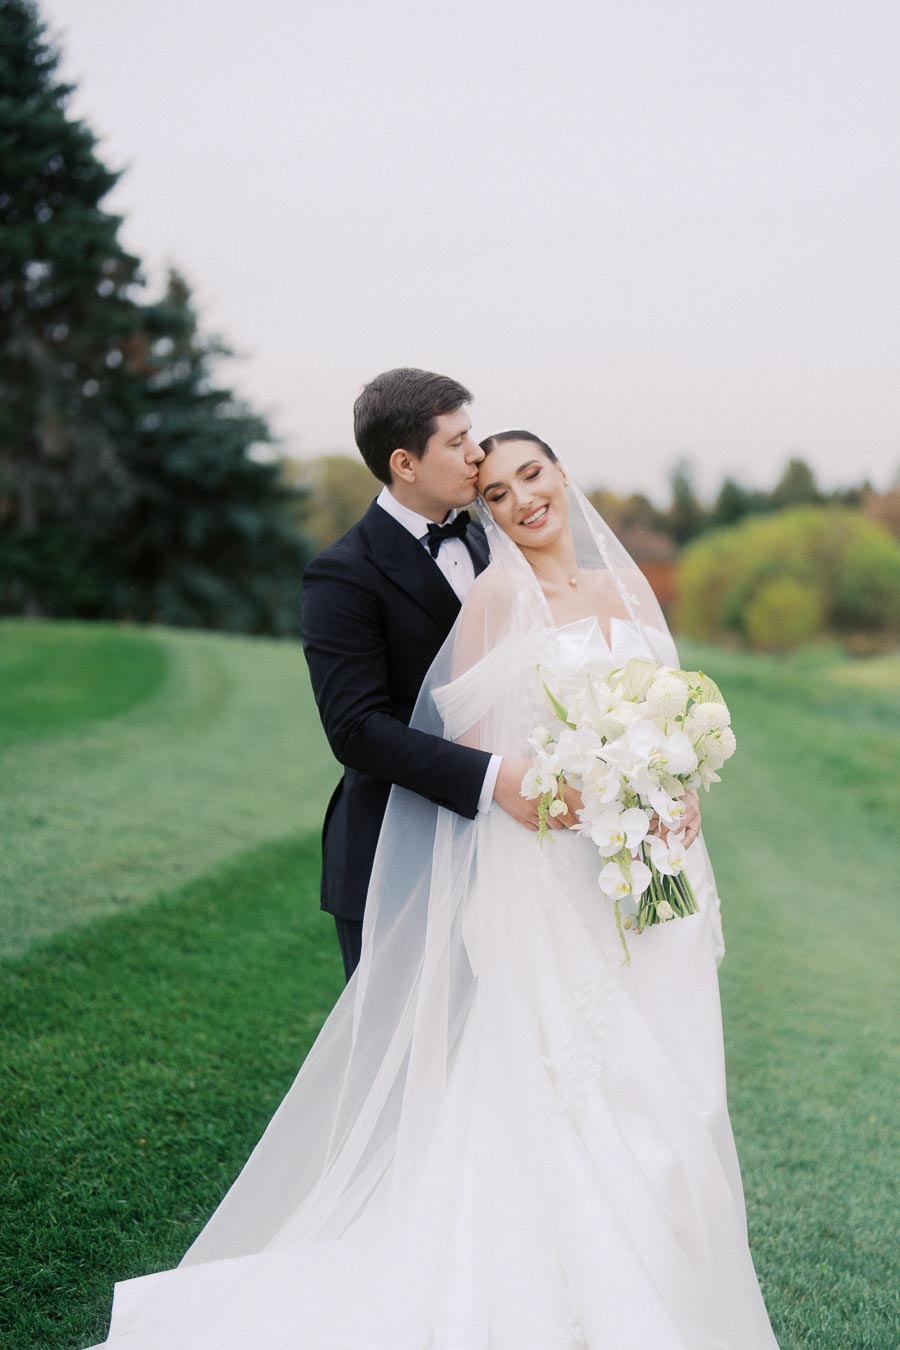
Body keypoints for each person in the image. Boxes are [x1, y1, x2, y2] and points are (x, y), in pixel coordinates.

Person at [87, 431, 778, 1348]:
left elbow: (674, 714)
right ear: (484, 510)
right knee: (586, 1088)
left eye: (532, 475)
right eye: (496, 491)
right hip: (559, 879)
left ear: (562, 474)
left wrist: (678, 793)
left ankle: (679, 1290)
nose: (523, 499)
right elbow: (479, 753)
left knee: (675, 1085)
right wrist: (568, 788)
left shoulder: (627, 589)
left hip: (657, 873)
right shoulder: (496, 601)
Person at [300, 369, 590, 980]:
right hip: (393, 860)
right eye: (456, 442)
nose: (477, 453)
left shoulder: (493, 541)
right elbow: (354, 729)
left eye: (472, 434)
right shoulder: (343, 574)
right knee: (402, 1069)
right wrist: (496, 780)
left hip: (510, 861)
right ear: (405, 463)